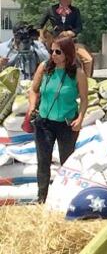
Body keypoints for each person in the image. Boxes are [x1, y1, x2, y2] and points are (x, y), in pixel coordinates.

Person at [25, 35, 88, 203]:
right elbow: (33, 89)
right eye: (51, 51)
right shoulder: (44, 68)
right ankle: (42, 198)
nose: (53, 54)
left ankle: (66, 198)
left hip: (67, 124)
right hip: (44, 122)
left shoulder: (78, 73)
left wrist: (80, 118)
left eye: (57, 51)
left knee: (67, 162)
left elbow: (84, 99)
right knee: (43, 161)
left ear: (67, 53)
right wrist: (32, 106)